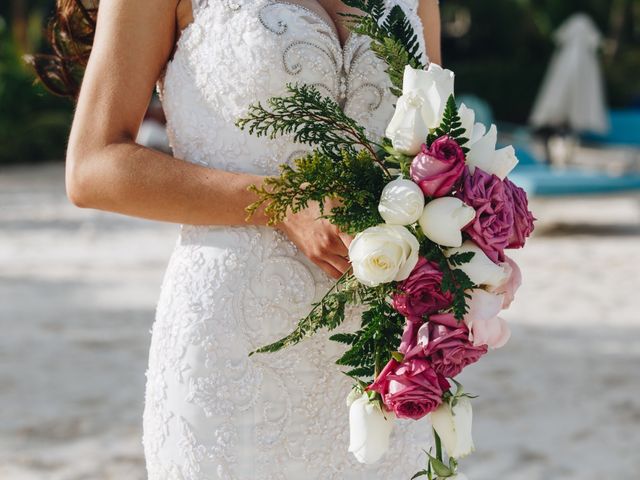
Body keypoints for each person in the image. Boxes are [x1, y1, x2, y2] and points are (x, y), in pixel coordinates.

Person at [36, 0, 442, 477]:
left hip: (391, 356)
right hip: (232, 351)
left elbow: (434, 152)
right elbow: (92, 167)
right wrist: (283, 202)